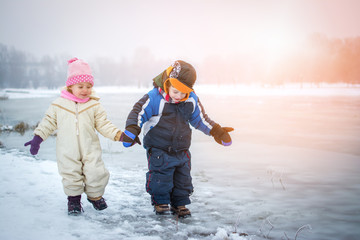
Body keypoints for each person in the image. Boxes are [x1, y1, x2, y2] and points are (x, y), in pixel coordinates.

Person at [121, 60, 233, 218]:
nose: (179, 96)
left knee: (183, 179)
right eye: (176, 91)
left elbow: (200, 119)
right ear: (168, 83)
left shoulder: (191, 99)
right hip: (158, 147)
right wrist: (132, 129)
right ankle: (160, 202)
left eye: (184, 93)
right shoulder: (155, 97)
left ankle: (179, 204)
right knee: (160, 177)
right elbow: (138, 112)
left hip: (181, 148)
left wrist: (217, 131)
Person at [24, 57, 127, 215]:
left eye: (88, 86)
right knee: (70, 173)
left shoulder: (94, 105)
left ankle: (95, 196)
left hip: (90, 147)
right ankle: (74, 201)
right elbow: (48, 122)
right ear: (70, 86)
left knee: (96, 172)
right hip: (67, 148)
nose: (85, 90)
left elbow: (103, 124)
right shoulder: (59, 105)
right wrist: (38, 138)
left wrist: (119, 135)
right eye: (80, 86)